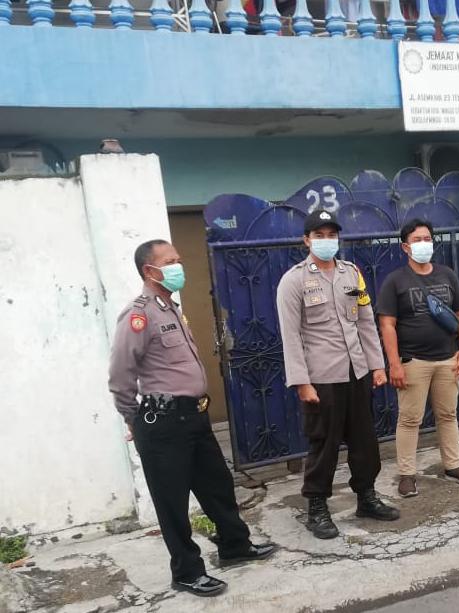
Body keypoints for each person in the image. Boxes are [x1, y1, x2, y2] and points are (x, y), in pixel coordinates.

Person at [108, 240, 277, 598]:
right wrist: (132, 417)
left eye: (178, 259)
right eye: (170, 261)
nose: (178, 266)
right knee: (172, 502)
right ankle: (186, 571)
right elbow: (121, 375)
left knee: (218, 485)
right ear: (149, 271)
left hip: (195, 417)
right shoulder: (139, 316)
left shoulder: (170, 308)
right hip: (163, 423)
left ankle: (234, 546)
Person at [276, 208, 400, 540]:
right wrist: (301, 382)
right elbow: (290, 336)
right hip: (322, 378)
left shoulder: (352, 274)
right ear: (306, 240)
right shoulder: (293, 281)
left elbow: (365, 321)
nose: (327, 240)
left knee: (365, 441)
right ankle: (317, 508)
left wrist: (376, 365)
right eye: (319, 235)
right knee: (324, 444)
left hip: (356, 372)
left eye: (332, 235)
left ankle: (366, 497)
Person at [377, 218, 459, 498]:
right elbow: (387, 325)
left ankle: (453, 465)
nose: (423, 244)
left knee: (448, 415)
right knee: (410, 419)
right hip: (414, 361)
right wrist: (394, 363)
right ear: (405, 247)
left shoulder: (447, 274)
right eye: (417, 240)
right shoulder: (395, 281)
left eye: (427, 239)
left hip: (448, 359)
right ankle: (407, 475)